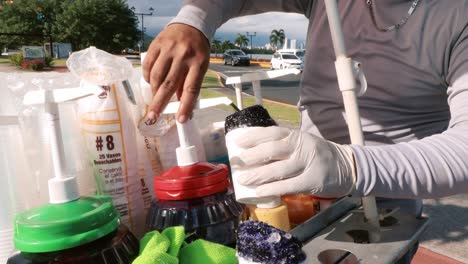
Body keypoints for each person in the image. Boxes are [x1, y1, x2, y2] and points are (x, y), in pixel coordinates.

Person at [143, 0, 468, 234]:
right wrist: (193, 20)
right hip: (304, 196)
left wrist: (350, 165)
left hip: (387, 207)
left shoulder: (458, 14)